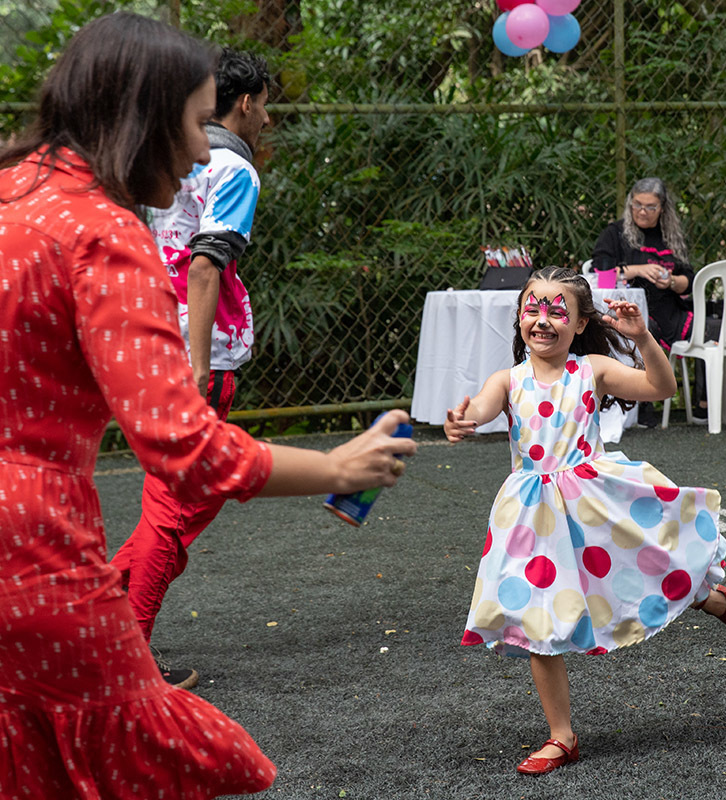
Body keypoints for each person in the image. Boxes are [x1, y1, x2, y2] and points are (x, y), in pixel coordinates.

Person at [0, 13, 415, 796]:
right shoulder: (101, 233)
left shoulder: (12, 193)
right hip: (33, 546)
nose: (201, 149)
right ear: (142, 117)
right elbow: (185, 449)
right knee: (188, 760)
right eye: (193, 123)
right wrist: (335, 464)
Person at [443, 266, 726, 775]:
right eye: (532, 308)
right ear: (519, 317)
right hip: (532, 514)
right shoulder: (508, 380)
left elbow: (662, 386)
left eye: (557, 311)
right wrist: (462, 420)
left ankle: (703, 594)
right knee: (541, 619)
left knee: (641, 563)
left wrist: (643, 337)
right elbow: (478, 408)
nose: (543, 320)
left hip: (593, 499)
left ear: (581, 323)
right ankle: (562, 737)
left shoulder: (593, 370)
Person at [109, 47, 271, 690]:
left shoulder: (174, 160)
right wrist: (198, 362)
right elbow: (206, 264)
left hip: (151, 335)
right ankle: (128, 659)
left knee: (175, 509)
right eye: (266, 103)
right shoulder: (235, 169)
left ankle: (100, 626)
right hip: (198, 352)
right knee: (175, 512)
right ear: (246, 101)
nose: (268, 116)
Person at [591, 177, 698, 425]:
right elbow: (600, 269)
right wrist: (638, 269)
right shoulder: (615, 233)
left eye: (650, 207)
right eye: (637, 205)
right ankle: (643, 407)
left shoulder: (670, 237)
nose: (643, 211)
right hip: (632, 310)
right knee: (645, 329)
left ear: (662, 208)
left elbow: (689, 280)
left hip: (670, 309)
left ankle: (705, 408)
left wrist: (671, 281)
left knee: (712, 329)